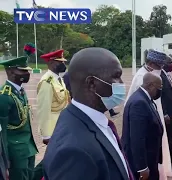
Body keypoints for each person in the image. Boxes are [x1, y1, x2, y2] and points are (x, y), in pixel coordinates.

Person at [43, 47, 133, 180]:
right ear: (92, 84)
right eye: (116, 76)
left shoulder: (83, 119)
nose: (122, 84)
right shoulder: (74, 152)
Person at [126, 49, 172, 179]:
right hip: (145, 156)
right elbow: (137, 138)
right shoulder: (142, 79)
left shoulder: (149, 79)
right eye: (159, 66)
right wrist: (142, 167)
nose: (161, 68)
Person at [34, 49, 70, 180]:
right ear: (52, 63)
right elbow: (43, 110)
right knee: (52, 158)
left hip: (62, 126)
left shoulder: (58, 79)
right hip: (53, 129)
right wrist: (46, 134)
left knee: (56, 157)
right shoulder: (46, 82)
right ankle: (33, 176)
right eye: (60, 62)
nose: (63, 64)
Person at [0, 56, 38, 180]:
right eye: (23, 71)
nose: (27, 73)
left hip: (28, 147)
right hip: (15, 152)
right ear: (11, 72)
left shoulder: (20, 91)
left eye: (27, 70)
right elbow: (2, 132)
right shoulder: (4, 96)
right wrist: (5, 160)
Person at [122, 72, 164, 180]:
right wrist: (142, 168)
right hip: (144, 163)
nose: (160, 91)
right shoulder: (139, 103)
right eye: (159, 88)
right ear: (150, 85)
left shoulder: (144, 98)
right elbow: (137, 138)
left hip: (150, 159)